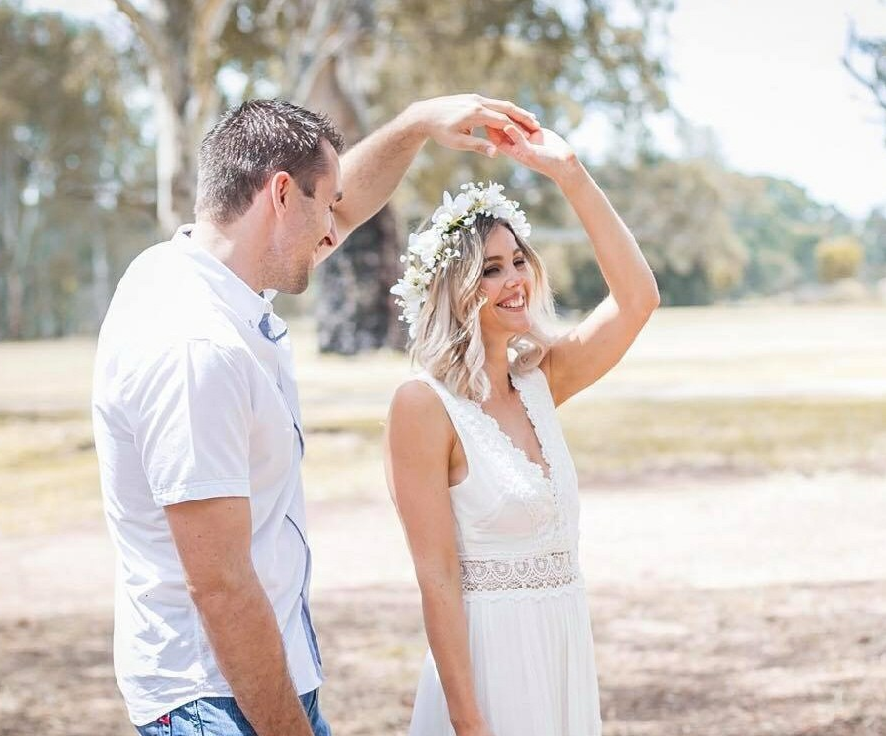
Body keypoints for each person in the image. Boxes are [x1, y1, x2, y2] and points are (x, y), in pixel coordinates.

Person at [91, 94, 541, 736]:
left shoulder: (195, 271)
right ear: (279, 195)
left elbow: (350, 202)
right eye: (323, 207)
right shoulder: (197, 349)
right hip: (214, 699)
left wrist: (414, 123)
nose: (335, 228)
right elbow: (219, 586)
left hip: (256, 681)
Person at [383, 122, 660, 735]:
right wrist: (467, 717)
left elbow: (638, 298)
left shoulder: (541, 382)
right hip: (491, 669)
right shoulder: (422, 407)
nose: (515, 280)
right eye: (489, 270)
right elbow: (436, 577)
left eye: (518, 262)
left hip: (562, 645)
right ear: (454, 289)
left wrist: (570, 173)